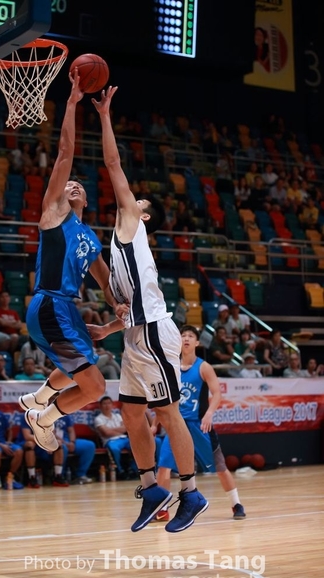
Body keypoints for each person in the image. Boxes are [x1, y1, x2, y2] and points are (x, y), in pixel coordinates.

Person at [88, 85, 208, 533]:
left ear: (144, 216)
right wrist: (108, 326)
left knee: (168, 413)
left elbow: (112, 164)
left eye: (138, 202)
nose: (131, 198)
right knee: (131, 412)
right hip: (137, 336)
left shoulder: (131, 224)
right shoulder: (122, 242)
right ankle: (152, 490)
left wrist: (104, 116)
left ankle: (190, 493)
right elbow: (125, 306)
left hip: (156, 334)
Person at [17, 70, 126, 454]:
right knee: (96, 387)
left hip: (67, 308)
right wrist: (72, 103)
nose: (73, 184)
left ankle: (38, 398)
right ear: (59, 195)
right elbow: (65, 153)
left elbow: (105, 279)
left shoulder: (90, 237)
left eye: (79, 185)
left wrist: (118, 305)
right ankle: (43, 418)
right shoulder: (53, 215)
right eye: (68, 184)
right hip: (50, 302)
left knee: (89, 360)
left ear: (87, 199)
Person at [155, 326, 246, 521]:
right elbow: (165, 399)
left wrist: (209, 414)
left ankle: (236, 504)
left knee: (219, 467)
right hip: (176, 425)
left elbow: (217, 393)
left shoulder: (203, 367)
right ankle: (162, 510)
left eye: (190, 336)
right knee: (163, 467)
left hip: (200, 425)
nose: (186, 338)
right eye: (183, 336)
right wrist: (156, 423)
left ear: (197, 342)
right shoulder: (171, 367)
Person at [94, 395, 136, 480]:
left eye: (109, 403)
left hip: (124, 438)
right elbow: (106, 433)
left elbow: (125, 429)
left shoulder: (117, 416)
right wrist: (119, 430)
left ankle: (134, 469)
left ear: (112, 405)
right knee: (114, 449)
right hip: (110, 440)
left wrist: (111, 430)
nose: (107, 405)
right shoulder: (98, 419)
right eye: (104, 404)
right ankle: (120, 470)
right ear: (100, 406)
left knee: (136, 445)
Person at [54, 415, 96, 484]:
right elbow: (50, 433)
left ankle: (80, 475)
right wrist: (65, 443)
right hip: (53, 442)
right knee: (62, 448)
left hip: (67, 440)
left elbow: (71, 431)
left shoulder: (65, 415)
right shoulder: (46, 415)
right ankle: (61, 475)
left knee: (89, 446)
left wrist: (72, 442)